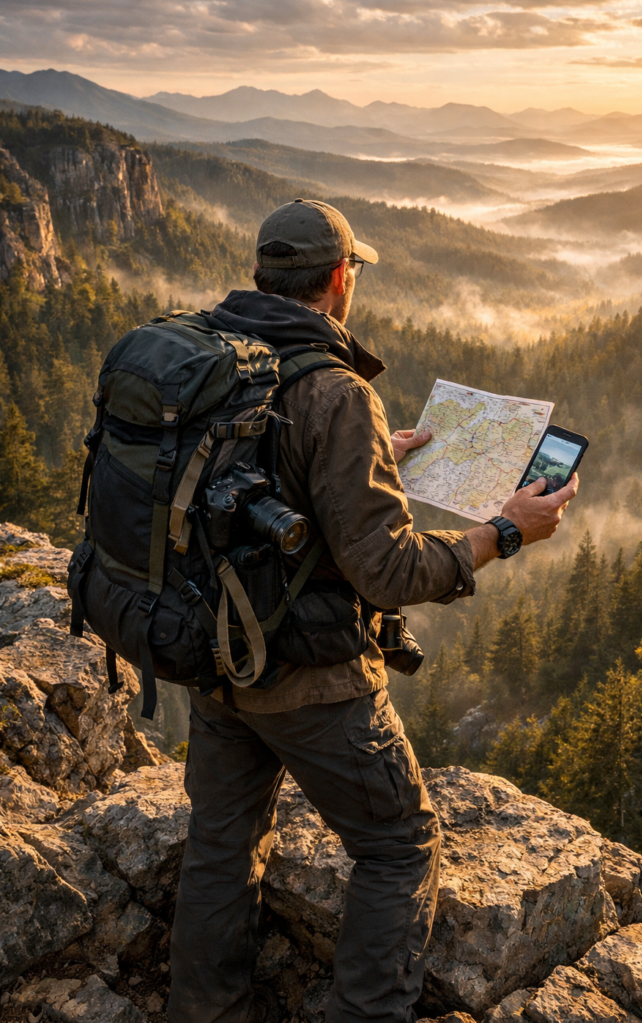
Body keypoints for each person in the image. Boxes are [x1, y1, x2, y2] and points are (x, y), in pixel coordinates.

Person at [168, 199, 578, 1023]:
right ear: (338, 280)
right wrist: (504, 530)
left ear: (263, 274)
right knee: (399, 846)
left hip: (212, 652)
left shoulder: (217, 358)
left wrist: (353, 468)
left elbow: (236, 489)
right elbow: (388, 571)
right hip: (308, 675)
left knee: (221, 841)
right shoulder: (333, 389)